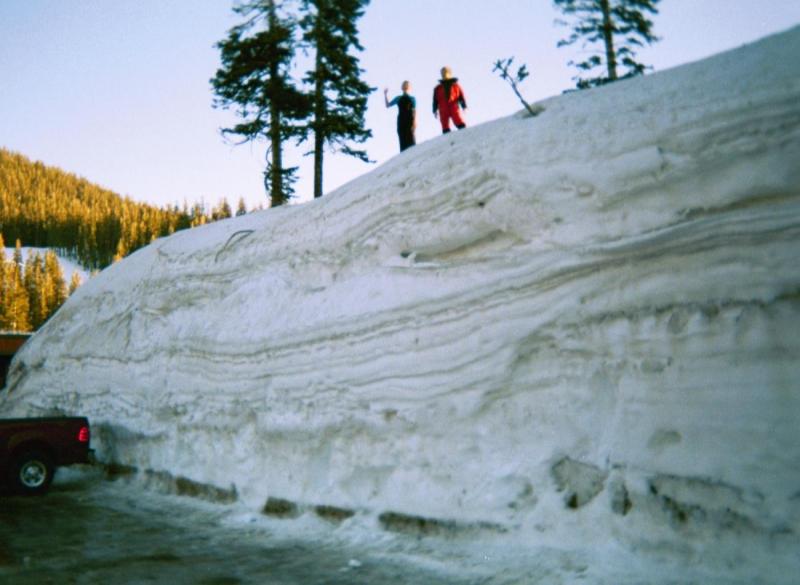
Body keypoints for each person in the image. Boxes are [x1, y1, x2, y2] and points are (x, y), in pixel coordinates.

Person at [432, 66, 467, 134]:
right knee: (444, 123)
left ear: (450, 73)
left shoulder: (455, 86)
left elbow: (461, 97)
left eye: (445, 72)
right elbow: (435, 100)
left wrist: (464, 106)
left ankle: (464, 132)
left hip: (453, 105)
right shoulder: (437, 88)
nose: (444, 74)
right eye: (442, 73)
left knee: (457, 119)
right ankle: (446, 135)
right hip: (443, 108)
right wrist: (434, 110)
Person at [384, 81, 417, 152]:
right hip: (401, 120)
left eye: (407, 85)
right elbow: (388, 105)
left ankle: (413, 152)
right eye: (404, 85)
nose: (405, 86)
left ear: (409, 87)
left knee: (411, 137)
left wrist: (415, 121)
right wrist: (385, 95)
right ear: (402, 87)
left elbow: (414, 111)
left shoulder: (412, 98)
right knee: (402, 137)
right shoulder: (398, 98)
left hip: (410, 119)